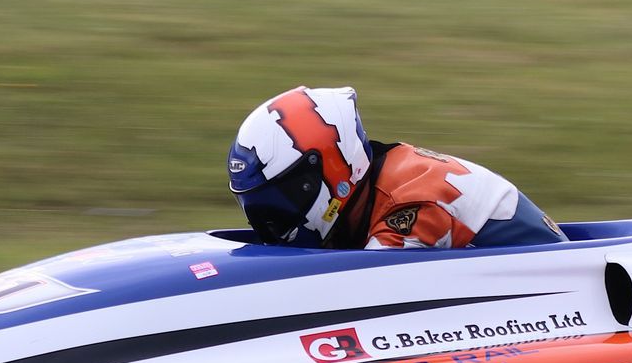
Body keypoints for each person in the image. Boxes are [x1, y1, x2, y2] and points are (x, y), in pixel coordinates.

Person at [229, 86, 565, 250]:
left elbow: (369, 298)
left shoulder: (406, 206)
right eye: (259, 210)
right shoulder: (373, 190)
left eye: (280, 203)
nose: (270, 224)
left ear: (334, 169)